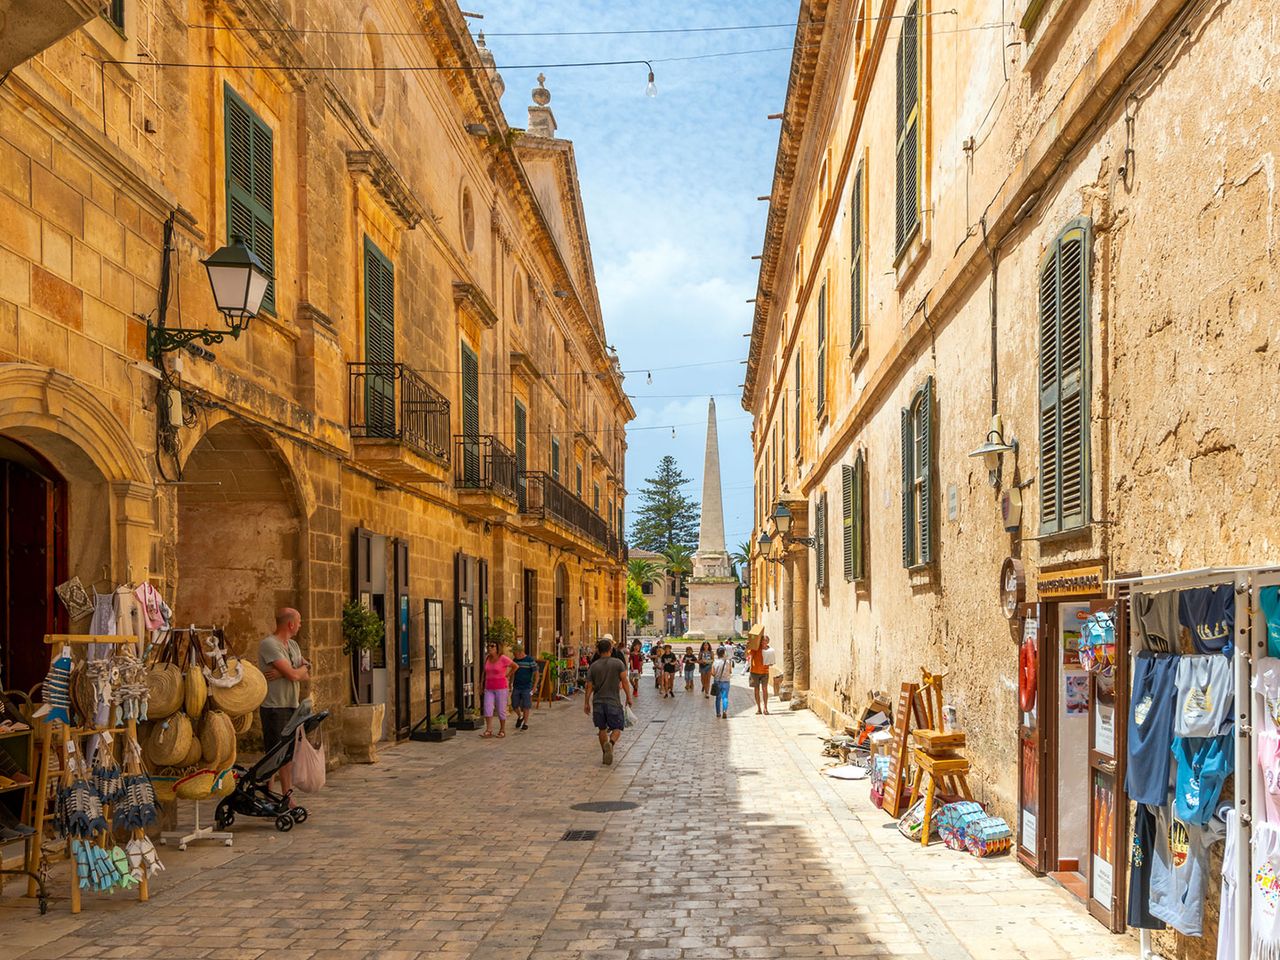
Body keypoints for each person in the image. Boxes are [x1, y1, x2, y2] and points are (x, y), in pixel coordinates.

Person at [259, 608, 309, 803]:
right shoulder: (269, 644)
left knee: (286, 753)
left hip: (291, 705)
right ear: (290, 624)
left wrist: (285, 673)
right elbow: (296, 674)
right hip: (274, 706)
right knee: (276, 754)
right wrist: (293, 672)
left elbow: (305, 673)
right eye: (299, 621)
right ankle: (283, 798)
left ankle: (275, 796)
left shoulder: (293, 645)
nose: (300, 625)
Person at [583, 637, 633, 765]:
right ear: (610, 649)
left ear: (598, 651)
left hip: (598, 702)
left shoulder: (593, 666)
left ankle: (605, 752)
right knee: (617, 727)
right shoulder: (618, 663)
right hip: (613, 701)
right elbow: (624, 681)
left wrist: (586, 702)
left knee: (602, 729)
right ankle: (610, 743)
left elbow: (589, 686)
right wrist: (629, 696)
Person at [480, 640, 515, 738]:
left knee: (500, 710)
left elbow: (515, 666)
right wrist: (481, 683)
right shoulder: (487, 658)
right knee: (487, 708)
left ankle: (502, 730)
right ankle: (489, 730)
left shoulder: (503, 658)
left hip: (501, 688)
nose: (490, 648)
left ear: (497, 648)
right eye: (488, 646)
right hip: (489, 687)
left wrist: (508, 675)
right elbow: (484, 671)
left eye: (492, 646)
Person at [511, 645, 537, 731]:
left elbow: (536, 674)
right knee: (514, 704)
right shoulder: (515, 660)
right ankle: (520, 716)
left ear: (520, 652)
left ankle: (525, 723)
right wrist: (510, 683)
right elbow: (513, 672)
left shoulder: (530, 660)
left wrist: (534, 687)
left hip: (527, 686)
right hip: (516, 686)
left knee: (526, 705)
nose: (514, 655)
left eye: (514, 653)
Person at [748, 633, 772, 715]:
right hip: (754, 671)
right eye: (763, 640)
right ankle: (758, 708)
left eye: (766, 640)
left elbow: (771, 662)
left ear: (768, 642)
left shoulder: (769, 650)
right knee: (756, 690)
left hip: (765, 672)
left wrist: (770, 662)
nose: (764, 642)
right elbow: (748, 654)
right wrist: (748, 646)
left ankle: (765, 708)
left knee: (765, 689)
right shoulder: (756, 648)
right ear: (761, 641)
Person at [711, 646, 733, 719]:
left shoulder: (715, 662)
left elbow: (712, 673)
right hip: (726, 681)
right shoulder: (728, 662)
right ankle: (724, 711)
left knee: (718, 698)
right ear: (724, 653)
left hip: (717, 681)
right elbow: (730, 671)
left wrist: (716, 675)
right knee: (725, 697)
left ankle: (718, 713)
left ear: (717, 654)